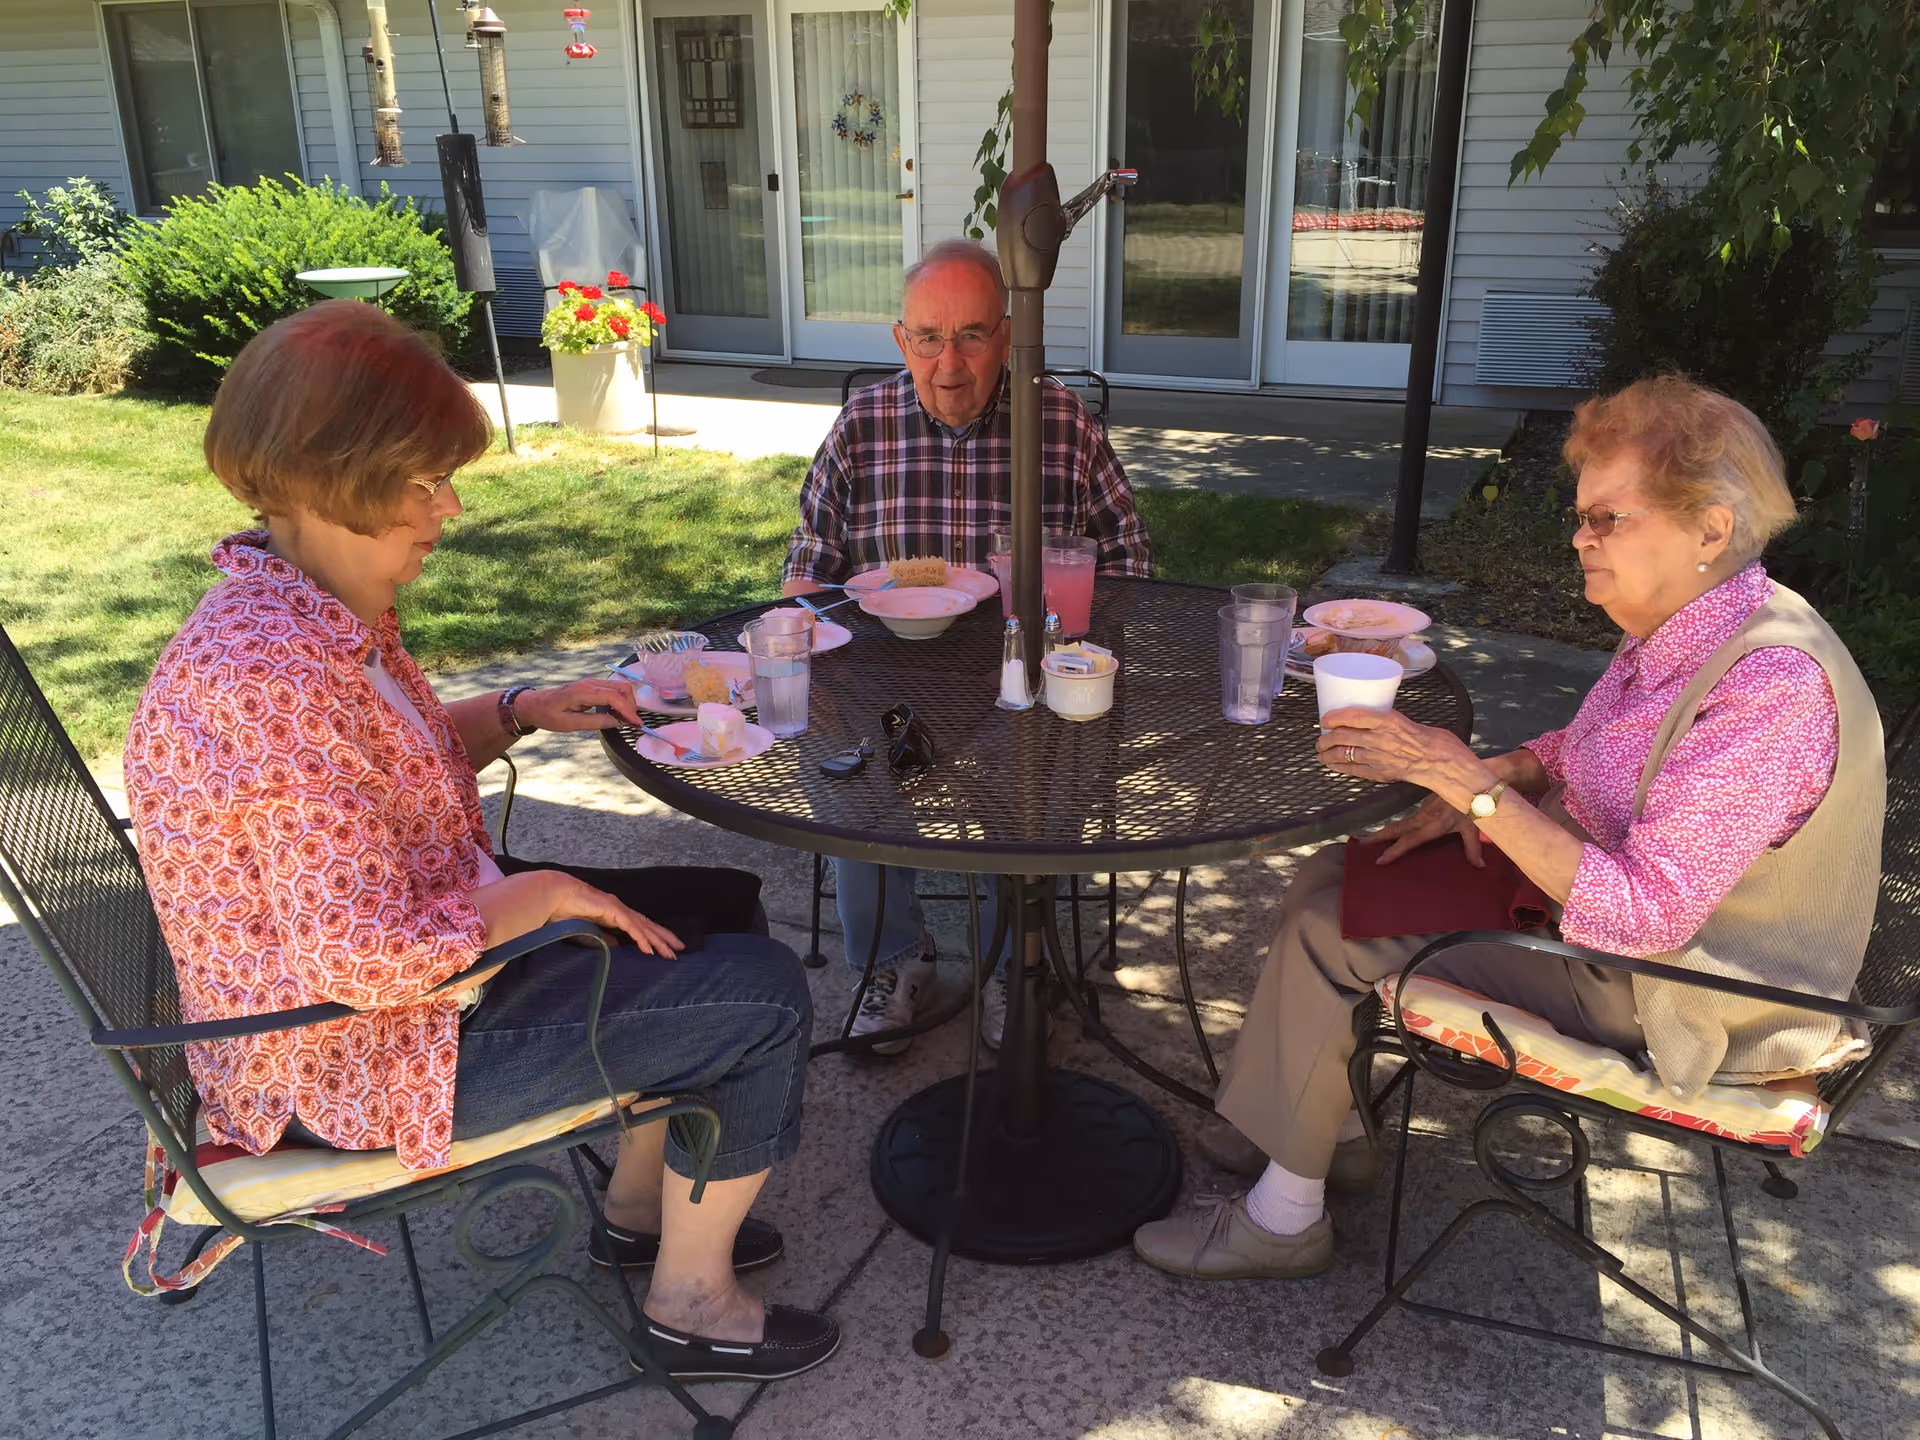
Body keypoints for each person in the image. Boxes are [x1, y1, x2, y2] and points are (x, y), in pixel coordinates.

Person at [124, 301, 837, 1383]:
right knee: (763, 994)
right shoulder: (271, 677)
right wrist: (542, 892)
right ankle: (693, 1304)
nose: (447, 507)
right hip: (352, 1063)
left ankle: (643, 1216)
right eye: (422, 482)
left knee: (719, 908)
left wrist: (518, 708)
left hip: (387, 998)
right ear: (330, 476)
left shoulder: (301, 608)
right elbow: (360, 962)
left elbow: (371, 768)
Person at [1134, 374, 1885, 1281]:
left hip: (1682, 991)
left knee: (1331, 931)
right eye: (1582, 515)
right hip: (1631, 941)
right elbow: (1595, 742)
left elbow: (1643, 919)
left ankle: (1284, 1222)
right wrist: (1500, 773)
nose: (1580, 537)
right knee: (1348, 871)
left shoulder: (1769, 689)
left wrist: (1463, 783)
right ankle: (1325, 1132)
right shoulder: (1696, 626)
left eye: (1608, 518)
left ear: (1710, 529)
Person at [782, 238, 1154, 1054]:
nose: (948, 365)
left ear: (1011, 335)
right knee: (847, 763)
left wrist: (1079, 638)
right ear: (899, 340)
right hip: (886, 687)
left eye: (974, 336)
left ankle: (1008, 973)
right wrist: (810, 657)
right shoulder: (862, 426)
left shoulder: (1060, 423)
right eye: (928, 339)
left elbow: (1129, 563)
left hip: (1026, 684)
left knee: (1034, 773)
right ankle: (896, 962)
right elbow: (809, 567)